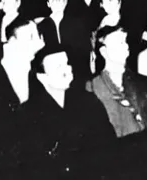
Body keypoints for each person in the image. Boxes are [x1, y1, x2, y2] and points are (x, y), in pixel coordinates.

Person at [16, 46, 116, 178]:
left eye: (67, 63)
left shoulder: (88, 101)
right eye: (58, 66)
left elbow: (108, 144)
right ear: (42, 77)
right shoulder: (28, 113)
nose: (67, 69)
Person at [87, 25, 147, 137]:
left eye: (125, 41)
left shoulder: (140, 82)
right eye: (119, 42)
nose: (126, 46)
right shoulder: (93, 87)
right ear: (103, 51)